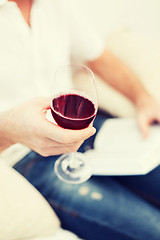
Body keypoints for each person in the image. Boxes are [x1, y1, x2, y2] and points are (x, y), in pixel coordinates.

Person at [1, 0, 160, 239]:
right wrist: (8, 131)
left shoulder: (58, 4)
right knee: (152, 230)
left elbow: (98, 56)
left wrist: (143, 98)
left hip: (88, 129)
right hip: (26, 153)